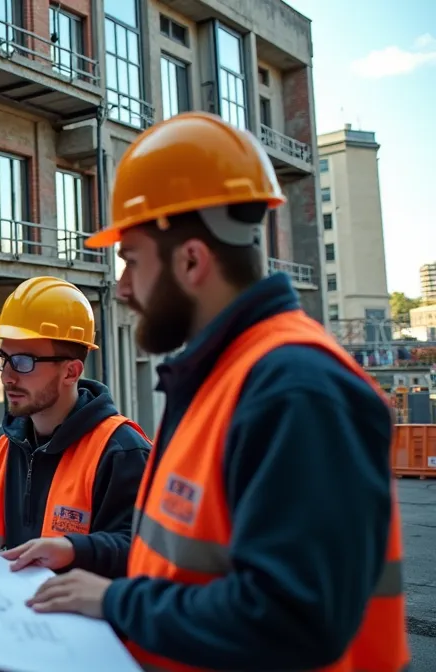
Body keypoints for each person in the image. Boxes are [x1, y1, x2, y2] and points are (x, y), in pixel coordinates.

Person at [24, 111, 408, 671]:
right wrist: (82, 551)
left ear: (192, 260)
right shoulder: (222, 379)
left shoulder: (296, 390)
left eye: (130, 260)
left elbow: (292, 618)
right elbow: (192, 561)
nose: (123, 287)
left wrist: (116, 600)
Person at [0, 276, 150, 589]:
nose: (7, 376)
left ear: (71, 371)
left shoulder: (121, 451)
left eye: (23, 361)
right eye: (3, 358)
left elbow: (142, 553)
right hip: (3, 626)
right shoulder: (0, 446)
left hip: (81, 632)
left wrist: (74, 552)